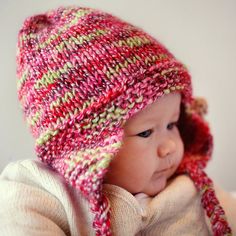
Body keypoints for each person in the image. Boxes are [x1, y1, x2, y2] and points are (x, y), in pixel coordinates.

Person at [0, 5, 235, 236]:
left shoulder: (194, 190)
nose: (170, 147)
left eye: (172, 125)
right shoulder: (44, 195)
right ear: (86, 147)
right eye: (146, 132)